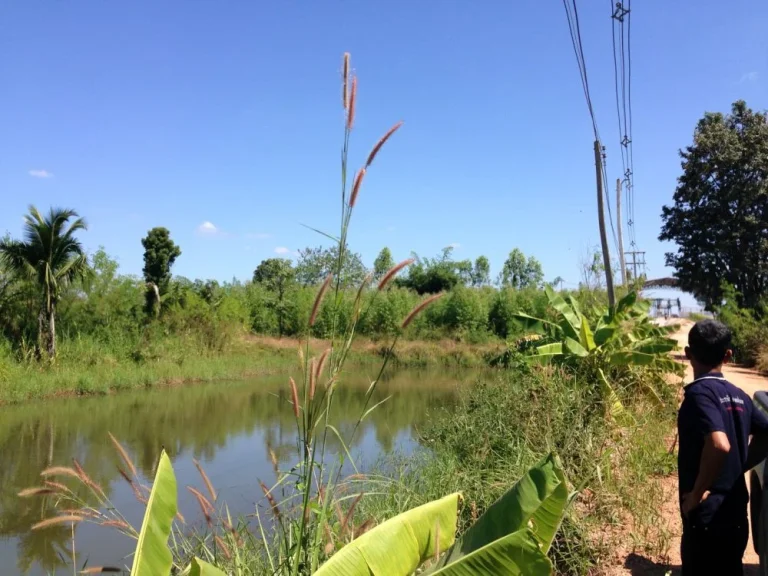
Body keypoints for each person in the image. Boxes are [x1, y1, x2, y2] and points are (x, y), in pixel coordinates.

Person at [678, 319, 768, 575]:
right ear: (728, 355)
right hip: (736, 515)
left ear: (688, 354)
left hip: (707, 518)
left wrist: (696, 494)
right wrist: (742, 464)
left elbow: (719, 445)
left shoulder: (699, 395)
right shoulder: (741, 395)